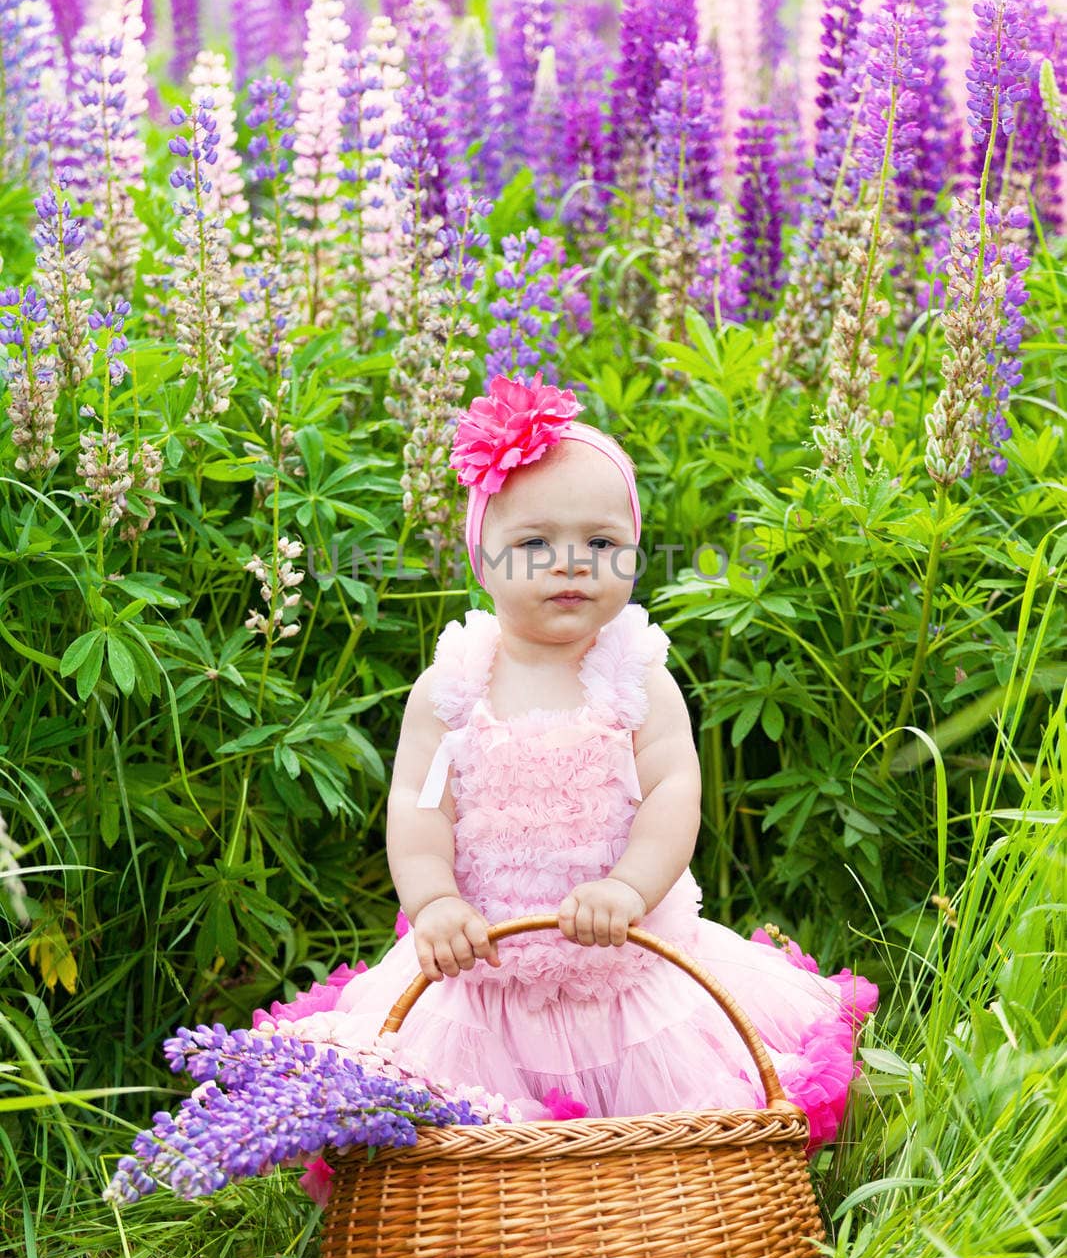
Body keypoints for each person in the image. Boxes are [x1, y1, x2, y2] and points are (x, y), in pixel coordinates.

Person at [255, 371, 877, 1144]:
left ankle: (646, 1220)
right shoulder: (452, 687)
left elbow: (673, 792)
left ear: (633, 553)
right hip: (482, 983)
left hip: (630, 974)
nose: (572, 562)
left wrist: (628, 885)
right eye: (534, 544)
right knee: (456, 1138)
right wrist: (435, 902)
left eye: (602, 544)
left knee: (667, 1137)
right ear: (482, 559)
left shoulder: (635, 677)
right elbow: (419, 809)